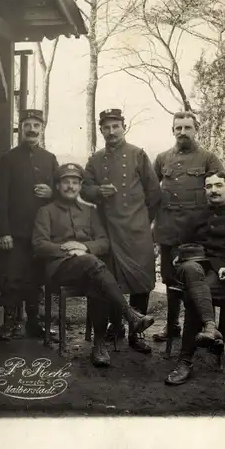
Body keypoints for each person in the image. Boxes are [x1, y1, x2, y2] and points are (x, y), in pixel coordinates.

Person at [32, 163, 155, 367]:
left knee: (97, 279)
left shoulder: (90, 211)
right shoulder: (46, 211)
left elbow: (104, 242)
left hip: (88, 267)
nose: (70, 187)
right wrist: (67, 249)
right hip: (60, 269)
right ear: (57, 185)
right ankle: (129, 314)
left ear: (81, 186)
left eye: (75, 182)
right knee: (95, 267)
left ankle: (99, 345)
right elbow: (38, 244)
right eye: (65, 182)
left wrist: (84, 247)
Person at [164, 171, 225, 385]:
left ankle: (185, 361)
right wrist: (177, 256)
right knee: (190, 271)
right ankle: (210, 327)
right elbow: (176, 246)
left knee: (194, 294)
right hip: (193, 269)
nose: (213, 190)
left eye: (218, 185)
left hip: (223, 276)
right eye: (208, 186)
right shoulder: (195, 217)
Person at [81, 108, 161, 354]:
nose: (112, 131)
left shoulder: (138, 154)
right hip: (108, 231)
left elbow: (154, 192)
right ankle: (114, 328)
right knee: (109, 280)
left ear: (123, 127)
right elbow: (84, 188)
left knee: (141, 282)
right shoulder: (95, 159)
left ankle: (137, 336)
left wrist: (142, 219)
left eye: (116, 126)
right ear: (101, 130)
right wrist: (97, 192)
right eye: (106, 127)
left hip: (137, 231)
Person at [152, 111, 225, 342]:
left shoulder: (208, 159)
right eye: (178, 128)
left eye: (187, 128)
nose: (182, 132)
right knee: (169, 279)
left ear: (196, 129)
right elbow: (151, 193)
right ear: (172, 131)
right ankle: (172, 326)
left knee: (193, 279)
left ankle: (195, 329)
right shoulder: (162, 159)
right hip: (168, 232)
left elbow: (218, 192)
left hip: (197, 235)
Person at [0, 109, 59, 340]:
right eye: (27, 125)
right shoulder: (8, 158)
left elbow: (62, 194)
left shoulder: (49, 159)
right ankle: (11, 324)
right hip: (15, 232)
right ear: (21, 129)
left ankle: (33, 323)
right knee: (13, 279)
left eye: (36, 125)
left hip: (41, 233)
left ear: (42, 129)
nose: (32, 129)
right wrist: (4, 231)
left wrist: (52, 192)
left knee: (36, 279)